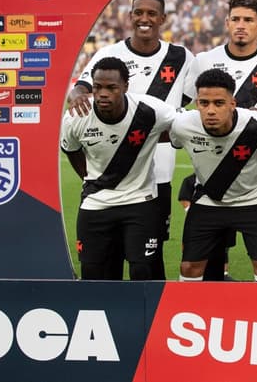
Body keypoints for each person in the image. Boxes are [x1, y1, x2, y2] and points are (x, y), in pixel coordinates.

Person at [67, 0, 194, 279]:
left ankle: (151, 312)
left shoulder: (181, 57)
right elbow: (82, 88)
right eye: (139, 12)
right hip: (112, 166)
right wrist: (75, 95)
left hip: (158, 169)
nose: (144, 19)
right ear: (131, 16)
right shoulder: (109, 54)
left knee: (150, 252)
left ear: (162, 18)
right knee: (107, 253)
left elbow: (193, 98)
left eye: (151, 13)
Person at [189, 0, 257, 279]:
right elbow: (191, 106)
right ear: (227, 23)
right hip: (212, 177)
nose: (241, 25)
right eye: (236, 19)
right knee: (211, 261)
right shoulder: (204, 61)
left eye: (248, 20)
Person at [60, 57, 177, 280]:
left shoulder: (150, 109)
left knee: (142, 271)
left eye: (111, 87)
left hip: (140, 201)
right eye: (97, 87)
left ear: (125, 86)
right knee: (94, 274)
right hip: (96, 204)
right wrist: (91, 178)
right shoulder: (76, 117)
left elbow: (186, 124)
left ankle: (146, 316)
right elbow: (71, 150)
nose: (103, 93)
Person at [170, 69, 257, 282]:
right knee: (189, 267)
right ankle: (191, 311)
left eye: (219, 103)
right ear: (196, 103)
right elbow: (175, 141)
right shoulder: (183, 125)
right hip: (209, 200)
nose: (211, 111)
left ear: (232, 104)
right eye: (204, 103)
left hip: (255, 198)